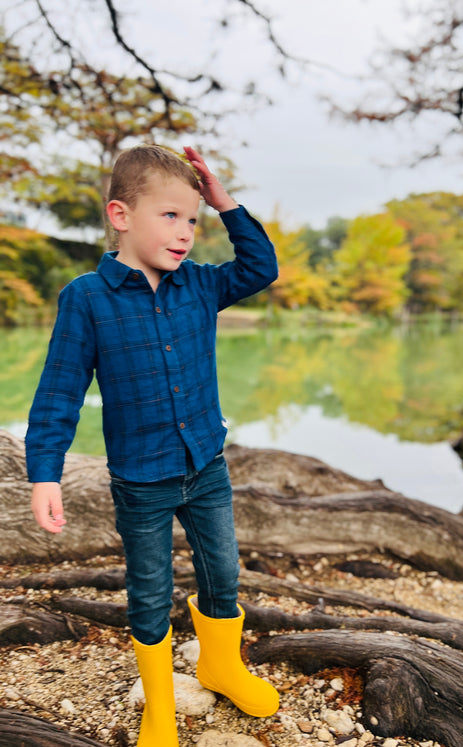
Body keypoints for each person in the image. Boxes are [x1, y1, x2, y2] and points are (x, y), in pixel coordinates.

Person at [25, 144, 280, 746]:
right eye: (170, 216)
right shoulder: (87, 298)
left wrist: (224, 203)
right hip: (141, 477)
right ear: (120, 215)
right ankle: (159, 702)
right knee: (150, 589)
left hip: (207, 466)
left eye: (193, 220)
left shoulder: (199, 286)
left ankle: (220, 665)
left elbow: (261, 268)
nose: (187, 232)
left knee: (223, 573)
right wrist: (44, 475)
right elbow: (59, 394)